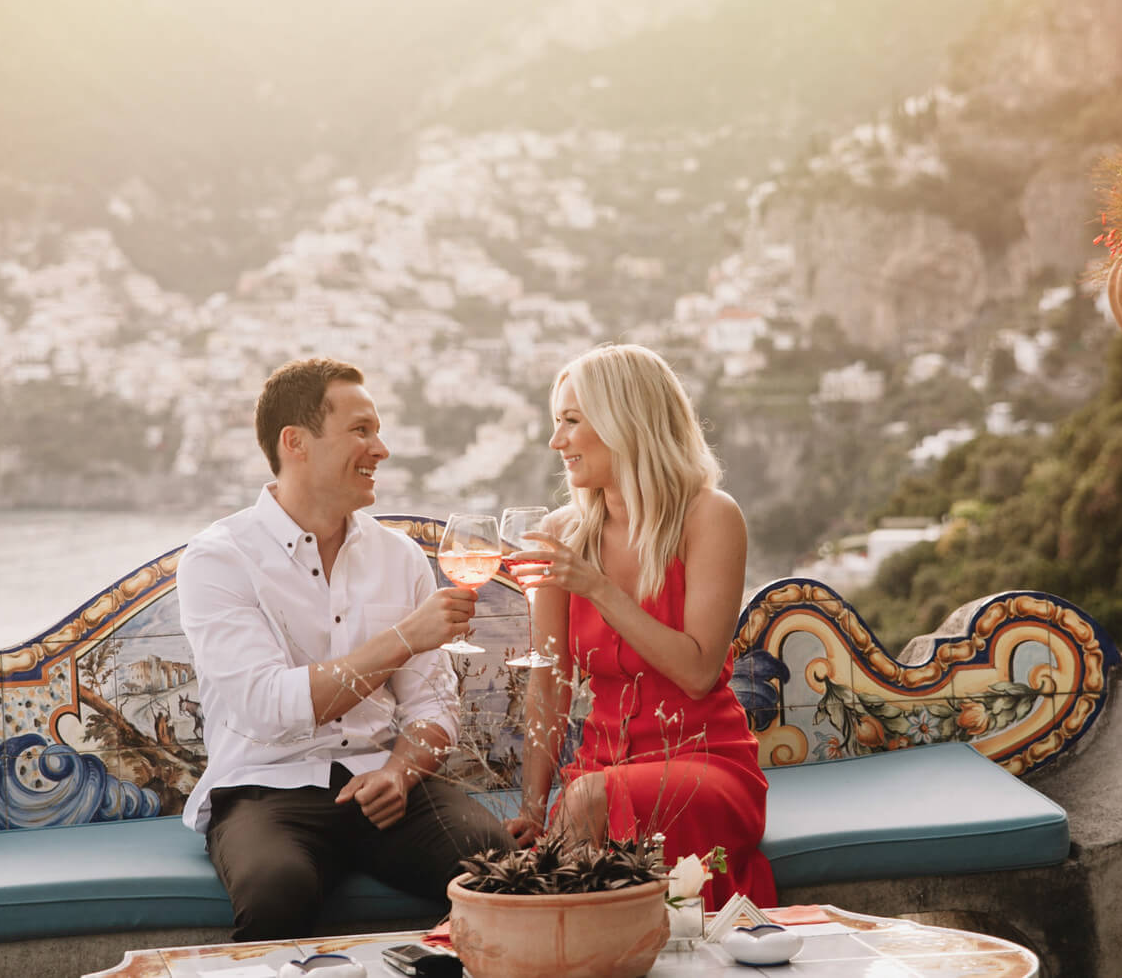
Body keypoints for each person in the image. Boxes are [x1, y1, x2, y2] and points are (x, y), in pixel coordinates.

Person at [178, 357, 512, 940]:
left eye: (377, 431)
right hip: (264, 789)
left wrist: (400, 773)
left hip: (383, 781)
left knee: (498, 866)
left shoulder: (399, 557)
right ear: (295, 443)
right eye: (361, 430)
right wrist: (404, 638)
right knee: (275, 889)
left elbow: (434, 707)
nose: (381, 449)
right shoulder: (219, 558)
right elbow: (266, 706)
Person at [504, 343, 776, 909]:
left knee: (582, 811)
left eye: (571, 421)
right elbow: (549, 681)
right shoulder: (560, 532)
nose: (556, 442)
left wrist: (599, 589)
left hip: (705, 765)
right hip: (596, 774)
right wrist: (532, 806)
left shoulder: (711, 516)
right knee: (561, 823)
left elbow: (698, 673)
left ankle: (546, 937)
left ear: (624, 422)